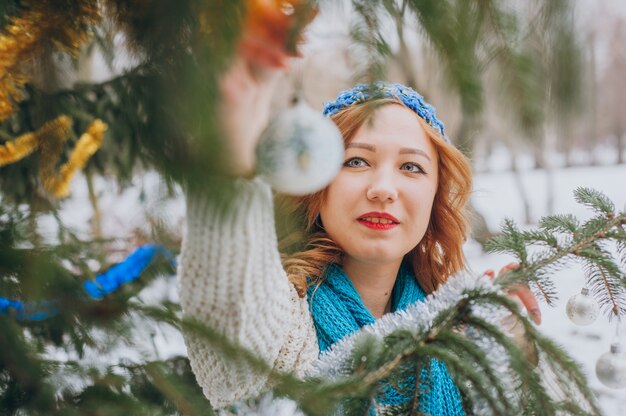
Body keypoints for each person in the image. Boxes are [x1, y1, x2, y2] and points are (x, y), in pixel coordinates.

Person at [177, 53, 542, 414]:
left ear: (435, 197)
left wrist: (504, 341)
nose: (383, 188)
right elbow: (230, 319)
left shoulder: (453, 326)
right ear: (316, 186)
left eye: (411, 167)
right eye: (355, 161)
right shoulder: (283, 322)